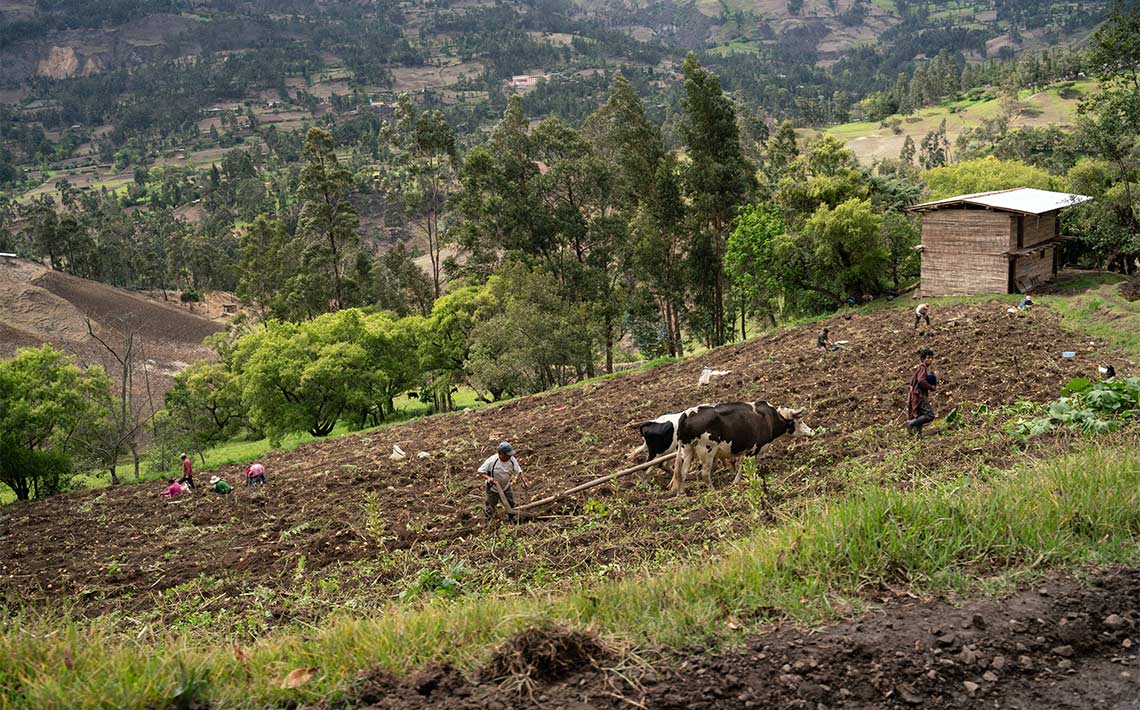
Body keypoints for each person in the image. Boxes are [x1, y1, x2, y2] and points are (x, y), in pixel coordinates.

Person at [478, 441, 528, 523]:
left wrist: (524, 481)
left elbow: (519, 471)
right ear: (501, 453)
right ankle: (488, 523)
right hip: (493, 488)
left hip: (505, 486)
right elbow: (480, 471)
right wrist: (488, 478)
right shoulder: (492, 461)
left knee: (511, 504)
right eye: (508, 455)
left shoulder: (511, 459)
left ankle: (511, 519)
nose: (510, 456)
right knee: (490, 507)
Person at [906, 348, 938, 436]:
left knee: (919, 414)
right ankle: (910, 423)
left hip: (916, 395)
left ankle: (918, 435)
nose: (930, 360)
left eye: (931, 358)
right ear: (923, 359)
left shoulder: (920, 369)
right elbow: (921, 381)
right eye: (928, 358)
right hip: (920, 395)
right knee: (930, 415)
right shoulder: (922, 368)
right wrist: (931, 387)